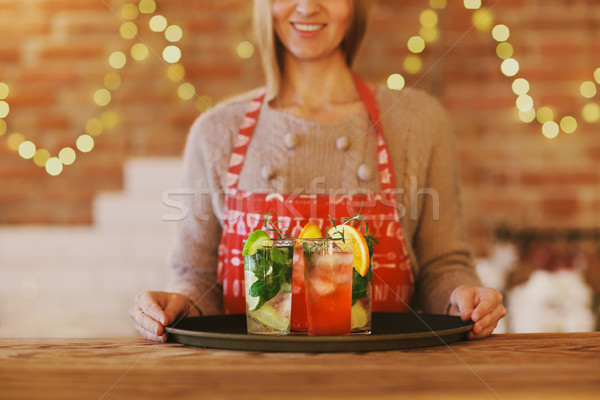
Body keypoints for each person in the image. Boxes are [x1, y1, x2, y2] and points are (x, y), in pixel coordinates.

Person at [130, 0, 506, 342]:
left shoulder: (419, 123)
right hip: (244, 380)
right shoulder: (215, 131)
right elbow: (197, 279)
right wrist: (175, 307)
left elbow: (443, 267)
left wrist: (464, 299)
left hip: (387, 378)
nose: (307, 7)